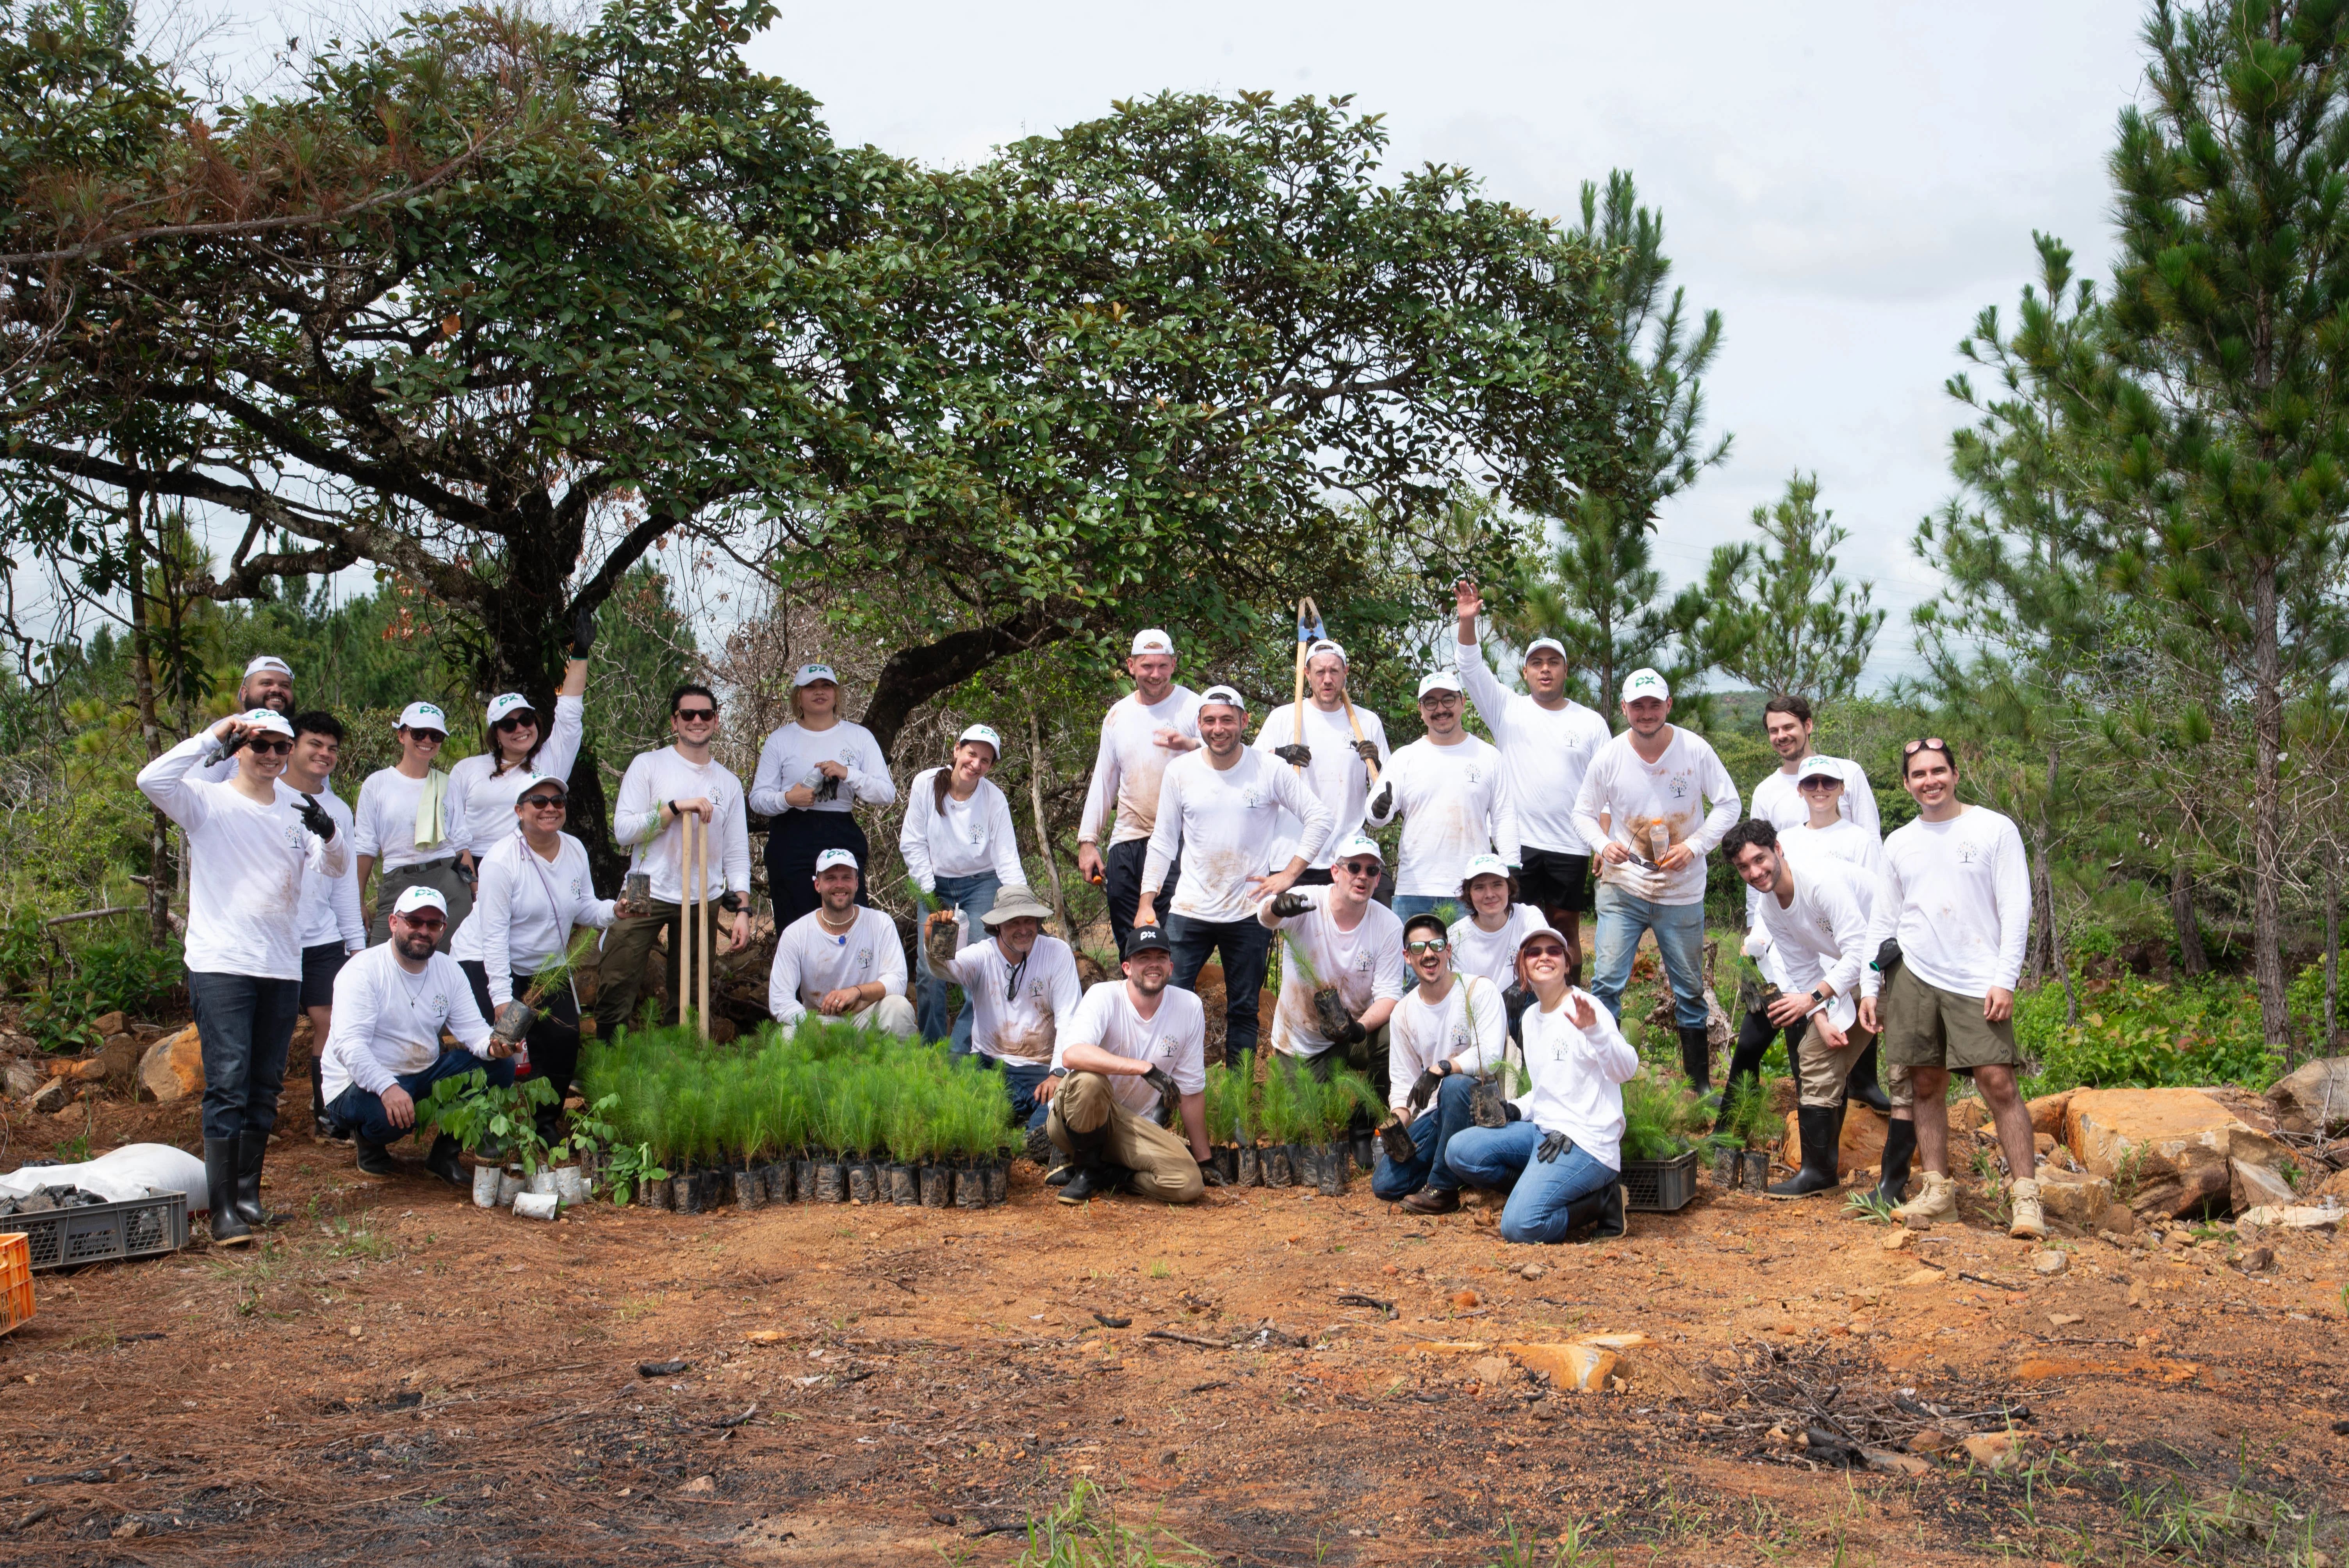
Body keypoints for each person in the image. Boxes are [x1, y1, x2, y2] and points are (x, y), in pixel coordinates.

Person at [137, 709, 349, 1245]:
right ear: (240, 746)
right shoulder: (206, 801)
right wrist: (212, 736)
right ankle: (222, 1207)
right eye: (261, 745)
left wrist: (331, 831)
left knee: (265, 1084)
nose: (272, 757)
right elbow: (150, 779)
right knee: (228, 1081)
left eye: (282, 748)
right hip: (222, 963)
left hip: (282, 962)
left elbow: (335, 867)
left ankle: (249, 1195)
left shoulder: (298, 808)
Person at [1858, 739, 2040, 1236]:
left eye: (1938, 771)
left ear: (1955, 775)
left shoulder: (1992, 829)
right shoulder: (1898, 841)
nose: (1929, 781)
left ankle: (2026, 1196)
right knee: (1923, 1085)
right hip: (1914, 972)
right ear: (1906, 783)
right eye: (1919, 774)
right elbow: (1884, 917)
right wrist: (1869, 984)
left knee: (1997, 1082)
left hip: (1976, 976)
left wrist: (2006, 977)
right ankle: (1938, 1191)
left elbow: (2016, 906)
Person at [1137, 685, 1331, 1074]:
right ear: (1200, 724)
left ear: (1244, 721)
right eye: (1209, 720)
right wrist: (1147, 901)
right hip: (1190, 909)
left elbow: (1320, 817)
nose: (1218, 728)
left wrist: (1288, 875)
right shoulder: (1180, 771)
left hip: (1249, 912)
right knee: (1168, 999)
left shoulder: (1269, 768)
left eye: (1227, 719)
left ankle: (1237, 1102)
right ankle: (1160, 1091)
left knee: (1243, 1009)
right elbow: (1162, 841)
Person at [1570, 668, 1739, 1092]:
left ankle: (1697, 1084)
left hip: (1680, 890)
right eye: (1637, 705)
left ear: (1668, 705)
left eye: (1654, 704)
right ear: (1624, 708)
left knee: (1689, 988)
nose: (1646, 713)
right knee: (1607, 980)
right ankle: (1600, 1077)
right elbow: (1582, 812)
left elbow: (1728, 803)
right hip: (1623, 885)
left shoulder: (1693, 750)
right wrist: (1601, 843)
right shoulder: (1610, 756)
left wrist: (1695, 845)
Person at [1722, 820, 1911, 1198]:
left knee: (1907, 1065)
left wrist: (1812, 999)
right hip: (1854, 969)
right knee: (1815, 1053)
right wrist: (1821, 1020)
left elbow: (1860, 948)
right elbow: (1802, 967)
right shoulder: (1770, 903)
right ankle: (1818, 1172)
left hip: (1901, 958)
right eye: (1743, 867)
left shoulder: (1821, 882)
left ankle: (1896, 1180)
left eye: (1759, 859)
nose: (1755, 872)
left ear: (1777, 848)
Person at [451, 773, 629, 1138]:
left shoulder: (575, 850)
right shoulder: (502, 861)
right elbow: (493, 934)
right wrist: (501, 997)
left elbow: (582, 907)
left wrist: (615, 911)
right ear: (519, 810)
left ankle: (543, 1124)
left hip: (545, 964)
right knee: (501, 1044)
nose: (550, 808)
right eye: (539, 801)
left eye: (558, 801)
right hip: (487, 960)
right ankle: (489, 1131)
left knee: (563, 1040)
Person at [1442, 924, 1641, 1244]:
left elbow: (1626, 1069)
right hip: (1543, 1134)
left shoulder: (1585, 1008)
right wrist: (1516, 1109)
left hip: (1587, 1143)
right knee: (1461, 1151)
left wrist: (1596, 1033)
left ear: (1566, 962)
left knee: (1520, 1227)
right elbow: (1547, 1088)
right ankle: (1536, 1187)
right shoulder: (1531, 1017)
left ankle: (1604, 1201)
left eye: (1554, 951)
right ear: (1523, 964)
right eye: (1534, 952)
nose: (1544, 957)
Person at [1454, 579, 1613, 967]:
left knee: (1563, 930)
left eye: (1553, 663)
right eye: (1537, 664)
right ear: (1525, 672)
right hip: (1516, 843)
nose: (1545, 670)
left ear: (1565, 670)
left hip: (1571, 844)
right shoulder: (1506, 708)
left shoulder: (1591, 722)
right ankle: (1519, 1015)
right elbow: (1470, 667)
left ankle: (1567, 1011)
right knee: (1516, 930)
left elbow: (1607, 789)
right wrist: (1467, 621)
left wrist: (1603, 843)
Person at [319, 885, 516, 1183]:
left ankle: (443, 1156)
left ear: (443, 930)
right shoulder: (363, 970)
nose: (423, 931)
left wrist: (493, 1048)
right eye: (414, 921)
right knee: (387, 1120)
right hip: (354, 1083)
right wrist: (387, 1087)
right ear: (394, 923)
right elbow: (350, 1048)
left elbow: (473, 1030)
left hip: (420, 1072)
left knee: (500, 1068)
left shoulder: (449, 970)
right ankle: (369, 1143)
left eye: (433, 924)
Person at [601, 684, 753, 1033]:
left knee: (691, 987)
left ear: (716, 721)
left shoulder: (728, 783)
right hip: (643, 885)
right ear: (675, 722)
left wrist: (743, 911)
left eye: (705, 715)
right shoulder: (649, 765)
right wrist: (673, 809)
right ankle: (609, 1056)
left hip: (704, 893)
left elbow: (736, 854)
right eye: (688, 714)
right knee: (618, 971)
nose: (696, 721)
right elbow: (624, 830)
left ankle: (680, 1060)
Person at [1038, 925, 1214, 1205]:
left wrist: (1205, 1159)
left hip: (1130, 1125)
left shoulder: (1189, 1007)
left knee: (1189, 1183)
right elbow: (1072, 1055)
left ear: (1170, 966)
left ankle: (1112, 1176)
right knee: (1089, 1082)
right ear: (1127, 968)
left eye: (1160, 957)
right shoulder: (1104, 996)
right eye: (1143, 958)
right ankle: (1087, 1170)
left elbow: (1191, 1090)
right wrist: (1143, 1067)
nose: (1153, 964)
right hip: (1076, 1119)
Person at [921, 885, 1084, 1146]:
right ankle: (1005, 1133)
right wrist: (935, 943)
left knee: (1065, 1100)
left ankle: (1032, 1139)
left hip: (1041, 1069)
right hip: (990, 1064)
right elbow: (950, 969)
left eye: (1029, 920)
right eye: (1014, 922)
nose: (1023, 929)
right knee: (953, 1106)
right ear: (998, 926)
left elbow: (1069, 1017)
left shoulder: (1057, 953)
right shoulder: (984, 954)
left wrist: (1058, 1073)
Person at [899, 724, 1027, 1052]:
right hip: (936, 885)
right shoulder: (926, 785)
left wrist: (1021, 906)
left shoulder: (993, 799)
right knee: (932, 970)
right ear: (957, 750)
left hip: (980, 886)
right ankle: (932, 1051)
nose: (976, 764)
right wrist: (932, 897)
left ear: (991, 766)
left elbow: (1006, 857)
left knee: (981, 965)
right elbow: (913, 844)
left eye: (985, 760)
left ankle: (965, 1052)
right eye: (972, 754)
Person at [1075, 629, 1203, 957]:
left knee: (1169, 944)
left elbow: (1228, 752)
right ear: (1131, 666)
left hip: (1179, 842)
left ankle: (1170, 1004)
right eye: (1147, 666)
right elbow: (1104, 781)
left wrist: (1190, 744)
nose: (1156, 675)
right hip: (1128, 842)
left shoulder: (1193, 707)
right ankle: (1129, 1004)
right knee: (1130, 943)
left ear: (1174, 665)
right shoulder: (1118, 715)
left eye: (1163, 666)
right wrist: (1088, 841)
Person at [1374, 911, 1509, 1213]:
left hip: (1481, 1112)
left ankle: (1444, 1188)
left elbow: (1490, 1056)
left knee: (1454, 1086)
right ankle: (1461, 1170)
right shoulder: (1404, 1012)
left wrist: (1442, 1068)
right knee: (1385, 1185)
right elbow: (1404, 1081)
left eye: (1436, 945)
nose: (1429, 954)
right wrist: (1398, 1123)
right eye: (1419, 949)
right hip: (1436, 1118)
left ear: (1448, 951)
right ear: (1408, 957)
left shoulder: (1478, 990)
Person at [446, 606, 594, 878]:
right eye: (508, 724)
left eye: (526, 719)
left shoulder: (550, 761)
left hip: (532, 867)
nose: (520, 729)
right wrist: (474, 885)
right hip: (478, 869)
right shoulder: (466, 770)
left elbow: (570, 710)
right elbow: (456, 834)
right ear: (496, 735)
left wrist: (580, 652)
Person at [749, 661, 897, 931]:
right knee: (796, 925)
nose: (819, 692)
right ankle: (799, 975)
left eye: (826, 686)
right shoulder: (780, 740)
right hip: (791, 836)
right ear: (798, 696)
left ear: (836, 694)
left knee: (849, 918)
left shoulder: (859, 737)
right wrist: (787, 799)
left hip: (841, 830)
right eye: (810, 687)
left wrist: (848, 773)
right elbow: (758, 798)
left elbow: (887, 794)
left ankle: (852, 974)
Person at [1367, 670, 1518, 930]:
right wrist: (1380, 810)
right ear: (1421, 709)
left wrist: (1512, 868)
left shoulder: (1489, 757)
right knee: (1417, 970)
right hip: (1414, 892)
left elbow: (1504, 817)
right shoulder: (1405, 758)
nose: (1440, 709)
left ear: (1463, 702)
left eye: (1448, 700)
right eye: (1431, 702)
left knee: (1468, 970)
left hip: (1472, 890)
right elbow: (1377, 816)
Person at [1258, 833, 1405, 1085]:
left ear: (1378, 878)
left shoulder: (1389, 925)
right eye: (1354, 868)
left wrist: (1360, 1028)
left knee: (1397, 1034)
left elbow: (1390, 995)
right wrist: (1277, 908)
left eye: (1371, 871)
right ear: (1336, 872)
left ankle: (1367, 1120)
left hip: (1353, 1036)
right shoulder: (1310, 900)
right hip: (1301, 1043)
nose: (1363, 876)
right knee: (1304, 1119)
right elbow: (1266, 917)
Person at [282, 711, 366, 1142]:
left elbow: (343, 878)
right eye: (315, 744)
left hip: (322, 936)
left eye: (332, 748)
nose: (324, 754)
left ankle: (327, 1113)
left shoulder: (337, 810)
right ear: (292, 745)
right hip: (273, 937)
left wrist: (356, 942)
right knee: (268, 1028)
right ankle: (257, 1118)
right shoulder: (267, 794)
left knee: (330, 1020)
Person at [1251, 639, 1390, 886]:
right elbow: (1250, 775)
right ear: (1307, 674)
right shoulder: (1284, 718)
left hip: (1348, 858)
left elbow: (1383, 809)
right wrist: (1280, 755)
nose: (1328, 679)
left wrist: (1378, 770)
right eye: (1320, 672)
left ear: (1345, 673)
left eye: (1334, 671)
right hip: (1291, 854)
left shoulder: (1367, 723)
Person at [354, 701, 471, 948]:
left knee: (453, 959)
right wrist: (358, 901)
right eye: (418, 733)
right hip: (399, 878)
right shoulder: (377, 784)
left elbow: (460, 842)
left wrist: (476, 892)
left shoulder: (448, 785)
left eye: (436, 735)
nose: (427, 740)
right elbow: (366, 847)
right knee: (384, 958)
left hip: (448, 880)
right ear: (401, 735)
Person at [767, 849, 916, 1036]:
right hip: (818, 1021)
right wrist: (810, 1026)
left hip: (867, 1015)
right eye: (830, 878)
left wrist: (857, 992)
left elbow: (898, 980)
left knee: (899, 1008)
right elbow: (780, 998)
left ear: (856, 884)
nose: (839, 885)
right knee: (787, 1038)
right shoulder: (795, 934)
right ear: (817, 885)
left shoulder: (880, 923)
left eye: (846, 878)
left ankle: (900, 1066)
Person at [1446, 852, 1549, 1042]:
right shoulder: (1455, 935)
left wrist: (1523, 985)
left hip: (1522, 1010)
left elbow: (1547, 955)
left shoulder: (1528, 917)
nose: (1490, 894)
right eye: (1479, 887)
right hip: (1480, 1019)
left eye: (1497, 885)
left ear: (1509, 888)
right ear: (1468, 893)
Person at [1747, 695, 1881, 837]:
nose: (1781, 736)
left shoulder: (1848, 772)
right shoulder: (1764, 793)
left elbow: (1872, 838)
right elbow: (1762, 851)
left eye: (1789, 727)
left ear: (1808, 726)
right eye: (1774, 731)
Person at [195, 656, 298, 782]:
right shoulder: (226, 733)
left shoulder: (300, 739)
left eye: (285, 686)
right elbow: (194, 795)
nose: (277, 689)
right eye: (266, 683)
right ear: (244, 693)